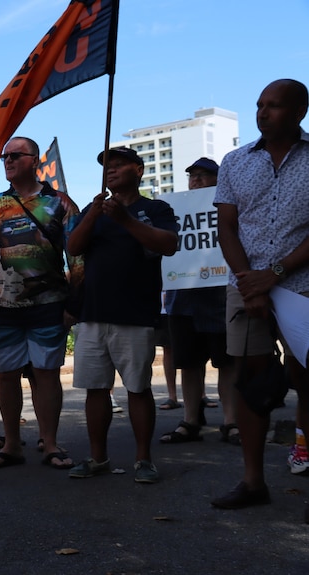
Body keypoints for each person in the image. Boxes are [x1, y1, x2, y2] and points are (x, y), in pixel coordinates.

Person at [211, 79, 309, 513]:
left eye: (274, 106)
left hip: (303, 288)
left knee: (308, 382)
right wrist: (247, 280)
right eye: (259, 105)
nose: (262, 112)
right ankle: (253, 482)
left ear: (299, 112)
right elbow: (227, 228)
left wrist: (275, 274)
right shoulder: (234, 162)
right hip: (246, 291)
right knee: (250, 383)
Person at [0, 137, 82, 471]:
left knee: (47, 374)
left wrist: (73, 304)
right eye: (5, 156)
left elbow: (77, 257)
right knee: (5, 375)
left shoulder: (60, 203)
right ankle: (12, 444)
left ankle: (51, 443)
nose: (8, 160)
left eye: (15, 155)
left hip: (49, 304)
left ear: (35, 160)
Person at [66, 146, 178, 484]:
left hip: (136, 313)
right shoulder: (95, 208)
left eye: (118, 165)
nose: (111, 171)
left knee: (138, 388)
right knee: (95, 389)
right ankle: (97, 457)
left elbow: (168, 244)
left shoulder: (155, 208)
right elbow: (73, 247)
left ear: (139, 170)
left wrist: (124, 220)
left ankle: (143, 459)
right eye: (106, 167)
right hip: (93, 313)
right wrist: (93, 215)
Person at [159, 158, 238, 445]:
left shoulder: (229, 209)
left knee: (227, 362)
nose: (197, 181)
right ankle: (191, 420)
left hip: (221, 296)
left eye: (204, 176)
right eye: (193, 176)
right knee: (189, 363)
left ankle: (231, 421)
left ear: (218, 180)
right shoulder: (173, 210)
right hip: (184, 298)